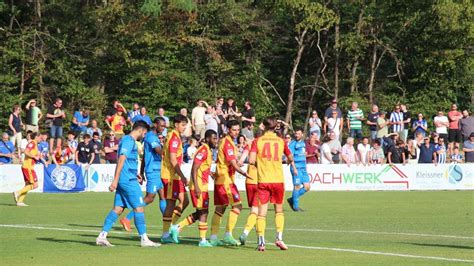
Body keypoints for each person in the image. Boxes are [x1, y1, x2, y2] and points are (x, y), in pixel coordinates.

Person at [95, 121, 158, 247]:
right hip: (127, 181)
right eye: (144, 133)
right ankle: (144, 239)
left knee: (118, 209)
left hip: (128, 178)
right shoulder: (129, 141)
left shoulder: (128, 141)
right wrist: (115, 180)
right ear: (140, 130)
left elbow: (127, 161)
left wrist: (135, 173)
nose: (144, 136)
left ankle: (102, 236)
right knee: (139, 207)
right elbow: (122, 159)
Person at [249, 117, 293, 252]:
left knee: (262, 213)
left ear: (264, 126)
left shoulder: (257, 141)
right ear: (275, 127)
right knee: (278, 210)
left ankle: (261, 242)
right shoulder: (281, 141)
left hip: (263, 180)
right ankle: (279, 238)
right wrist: (284, 161)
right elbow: (290, 157)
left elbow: (251, 160)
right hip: (278, 180)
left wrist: (261, 164)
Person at [170, 130, 219, 247]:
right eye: (214, 138)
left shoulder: (208, 150)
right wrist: (196, 186)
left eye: (216, 138)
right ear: (207, 139)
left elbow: (201, 168)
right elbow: (194, 168)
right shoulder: (203, 150)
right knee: (204, 212)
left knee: (200, 212)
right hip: (199, 187)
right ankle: (202, 240)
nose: (216, 141)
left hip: (202, 185)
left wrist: (210, 173)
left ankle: (177, 227)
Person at [121, 117, 168, 231]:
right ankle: (127, 218)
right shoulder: (151, 137)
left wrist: (141, 172)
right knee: (149, 198)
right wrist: (170, 151)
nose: (163, 128)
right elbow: (158, 151)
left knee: (163, 196)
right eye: (161, 126)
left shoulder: (154, 136)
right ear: (155, 125)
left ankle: (168, 223)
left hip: (158, 169)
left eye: (164, 126)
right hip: (153, 171)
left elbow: (146, 156)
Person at [209, 120, 250, 246]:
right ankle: (228, 235)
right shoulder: (227, 143)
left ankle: (213, 237)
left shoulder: (228, 142)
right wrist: (243, 173)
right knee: (238, 206)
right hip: (226, 181)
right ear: (228, 130)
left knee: (220, 208)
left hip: (223, 179)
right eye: (234, 130)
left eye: (238, 130)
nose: (236, 132)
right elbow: (232, 163)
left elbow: (222, 161)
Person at [160, 115, 189, 244]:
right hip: (170, 176)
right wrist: (182, 176)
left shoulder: (174, 136)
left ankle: (171, 226)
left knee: (185, 201)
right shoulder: (174, 138)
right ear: (176, 124)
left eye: (185, 125)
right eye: (182, 125)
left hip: (174, 176)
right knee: (171, 204)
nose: (184, 128)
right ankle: (165, 234)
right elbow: (172, 160)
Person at [238, 130, 262, 245]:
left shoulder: (250, 145)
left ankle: (259, 237)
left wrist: (240, 162)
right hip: (259, 181)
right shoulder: (264, 146)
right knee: (256, 211)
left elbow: (242, 159)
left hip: (248, 181)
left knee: (255, 211)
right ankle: (245, 232)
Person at [13, 132, 41, 207]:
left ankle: (20, 202)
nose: (40, 139)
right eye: (40, 137)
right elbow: (26, 151)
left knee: (28, 185)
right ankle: (17, 192)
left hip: (28, 167)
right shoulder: (32, 143)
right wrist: (34, 157)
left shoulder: (35, 144)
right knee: (35, 185)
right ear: (36, 137)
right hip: (28, 167)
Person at [287, 128, 310, 212]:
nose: (297, 135)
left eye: (298, 134)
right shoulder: (292, 144)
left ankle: (292, 199)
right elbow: (290, 157)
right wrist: (294, 168)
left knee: (307, 187)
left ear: (302, 134)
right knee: (297, 186)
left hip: (303, 168)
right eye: (296, 134)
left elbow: (303, 155)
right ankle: (296, 207)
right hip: (296, 167)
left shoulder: (303, 143)